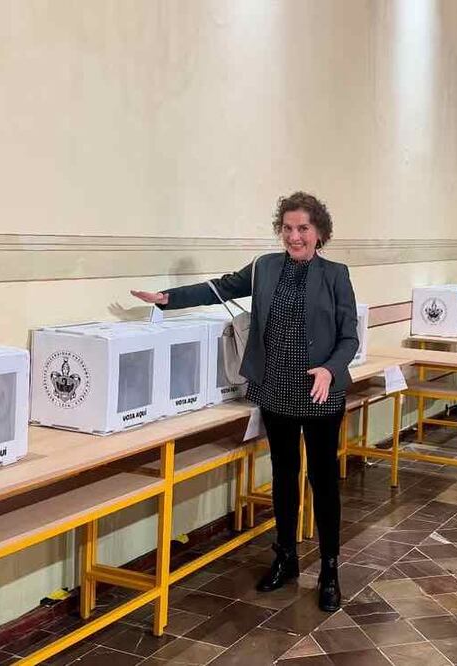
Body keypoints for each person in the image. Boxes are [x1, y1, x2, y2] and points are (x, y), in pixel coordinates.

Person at [131, 192, 357, 612]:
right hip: (275, 389)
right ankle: (286, 557)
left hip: (321, 392)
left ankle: (329, 569)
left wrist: (329, 368)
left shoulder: (336, 275)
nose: (294, 236)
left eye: (303, 228)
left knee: (323, 482)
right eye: (287, 228)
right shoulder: (264, 268)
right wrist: (168, 298)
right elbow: (219, 288)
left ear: (319, 233)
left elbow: (349, 337)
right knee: (285, 476)